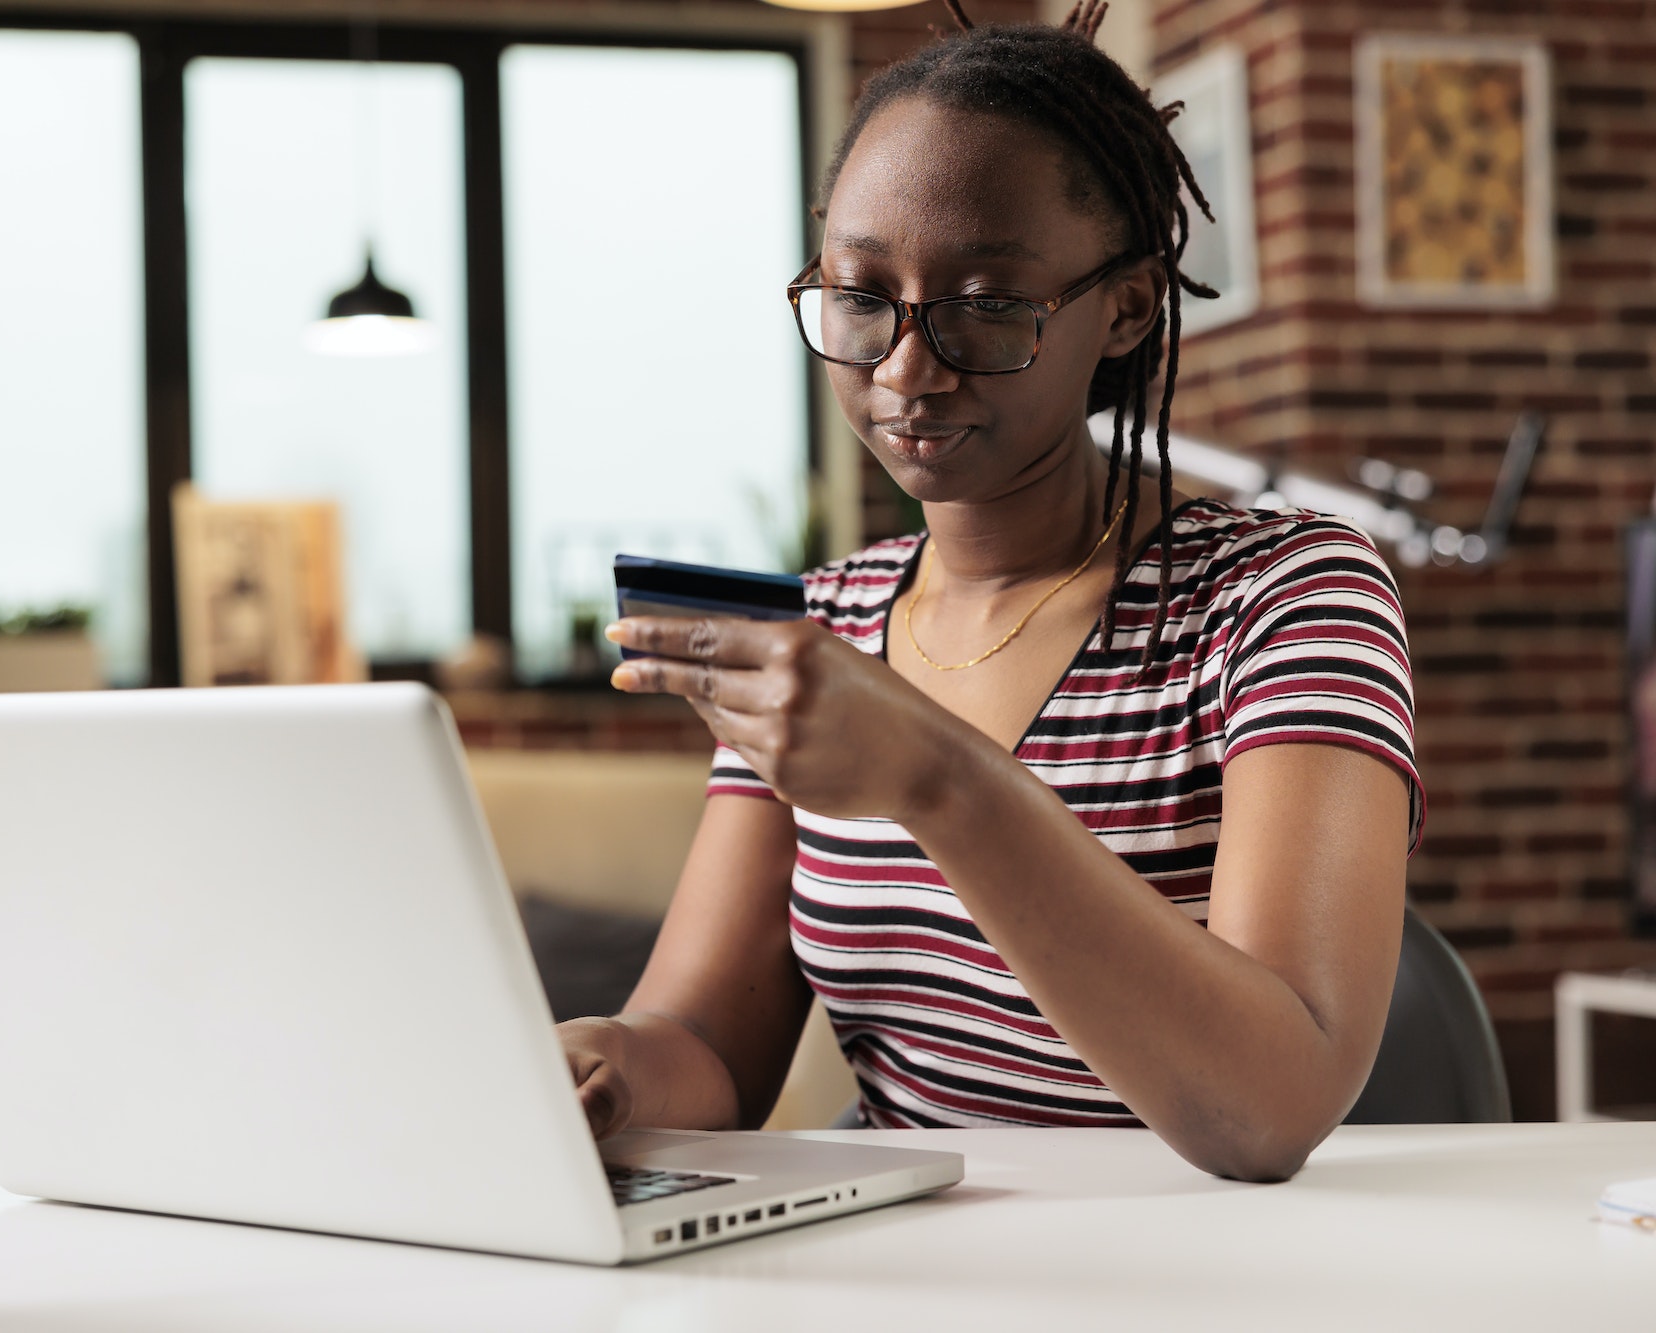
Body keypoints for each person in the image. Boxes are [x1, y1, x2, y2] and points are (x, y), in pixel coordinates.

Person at [561, 2, 1421, 1183]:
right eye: (861, 298)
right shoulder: (823, 623)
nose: (906, 368)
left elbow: (1269, 1105)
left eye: (984, 306)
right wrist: (598, 1062)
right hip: (925, 1263)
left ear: (1122, 304)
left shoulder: (1279, 593)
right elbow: (709, 1043)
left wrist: (934, 771)